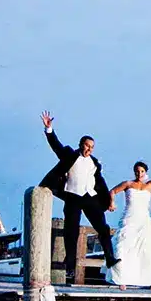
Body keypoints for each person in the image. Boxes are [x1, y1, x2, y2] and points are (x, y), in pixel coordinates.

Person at [37, 111, 119, 273]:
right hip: (73, 196)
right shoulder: (70, 155)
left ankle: (110, 258)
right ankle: (70, 266)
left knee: (103, 228)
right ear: (81, 144)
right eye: (87, 145)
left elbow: (100, 183)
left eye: (92, 147)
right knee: (71, 231)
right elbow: (56, 146)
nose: (89, 149)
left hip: (90, 197)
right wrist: (49, 129)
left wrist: (109, 200)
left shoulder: (95, 163)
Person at [105, 148, 151, 289]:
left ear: (145, 172)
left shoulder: (149, 185)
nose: (139, 174)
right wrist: (112, 203)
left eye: (142, 171)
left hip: (144, 220)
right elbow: (112, 191)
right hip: (129, 218)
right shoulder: (128, 184)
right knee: (123, 247)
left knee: (148, 249)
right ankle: (122, 279)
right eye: (137, 171)